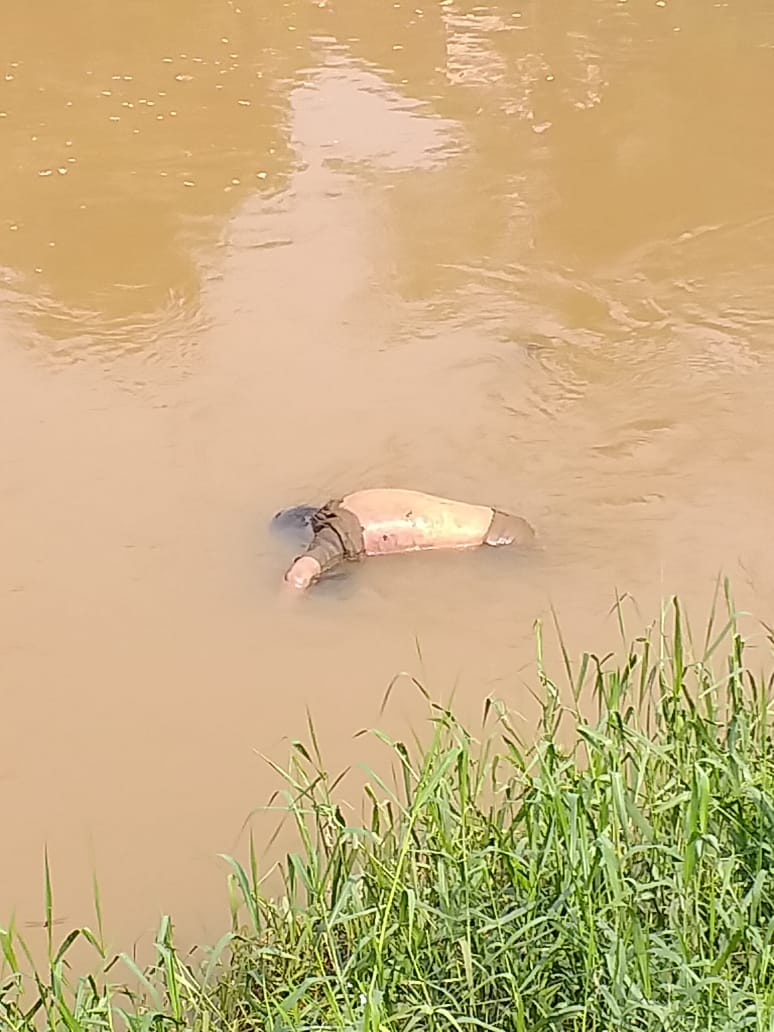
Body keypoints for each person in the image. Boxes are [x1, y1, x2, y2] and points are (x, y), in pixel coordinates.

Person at [274, 488, 535, 590]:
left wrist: (280, 616)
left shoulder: (336, 535)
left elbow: (299, 575)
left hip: (503, 540)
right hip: (501, 525)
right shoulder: (347, 504)